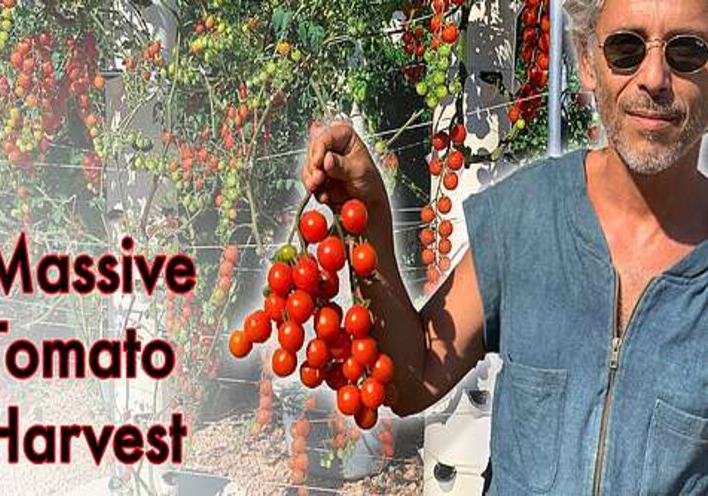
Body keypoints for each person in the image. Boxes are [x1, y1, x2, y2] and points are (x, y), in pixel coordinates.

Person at [302, 0, 708, 493]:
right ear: (586, 61)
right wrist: (371, 216)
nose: (654, 78)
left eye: (687, 51)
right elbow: (414, 379)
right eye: (625, 48)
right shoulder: (525, 217)